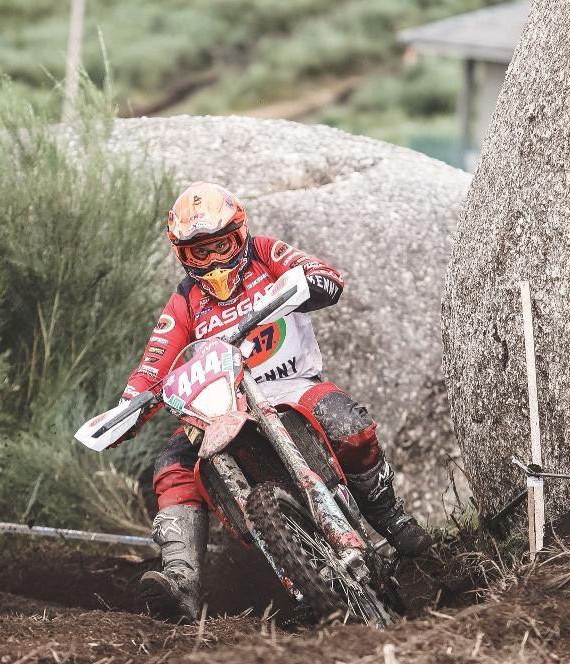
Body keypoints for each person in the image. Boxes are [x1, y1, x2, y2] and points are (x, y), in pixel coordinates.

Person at [118, 182, 432, 622]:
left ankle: (390, 518)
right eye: (197, 254)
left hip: (291, 387)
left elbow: (321, 273)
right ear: (181, 255)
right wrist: (129, 405)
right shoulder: (186, 298)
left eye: (220, 246)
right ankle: (181, 581)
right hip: (222, 405)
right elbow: (156, 358)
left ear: (240, 235)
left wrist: (312, 280)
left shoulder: (267, 253)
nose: (211, 262)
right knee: (172, 464)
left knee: (349, 424)